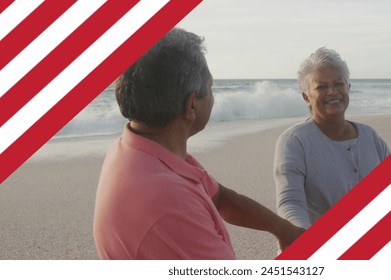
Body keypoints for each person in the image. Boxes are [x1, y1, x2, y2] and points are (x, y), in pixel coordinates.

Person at [93, 27, 304, 260]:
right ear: (192, 105)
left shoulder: (139, 148)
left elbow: (220, 197)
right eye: (210, 87)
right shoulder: (169, 201)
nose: (213, 96)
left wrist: (285, 230)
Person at [274, 47, 390, 229]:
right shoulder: (295, 141)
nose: (332, 92)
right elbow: (290, 203)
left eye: (338, 84)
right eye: (321, 86)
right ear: (306, 97)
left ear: (348, 88)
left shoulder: (370, 137)